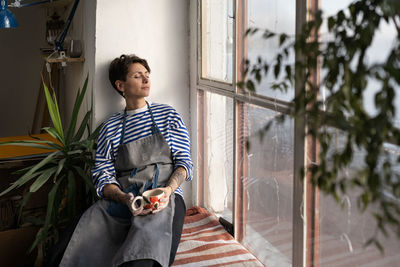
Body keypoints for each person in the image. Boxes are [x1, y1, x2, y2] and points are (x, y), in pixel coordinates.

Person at [59, 54, 193, 267]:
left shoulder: (168, 115)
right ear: (121, 85)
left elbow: (184, 163)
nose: (146, 80)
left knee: (143, 257)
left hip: (162, 201)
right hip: (124, 199)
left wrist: (167, 192)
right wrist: (125, 199)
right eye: (138, 76)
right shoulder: (110, 127)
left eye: (147, 75)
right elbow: (102, 176)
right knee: (71, 245)